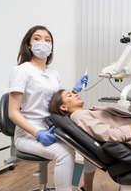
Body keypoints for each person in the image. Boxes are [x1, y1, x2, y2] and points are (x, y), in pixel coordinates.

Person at [8, 25, 88, 191]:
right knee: (64, 154)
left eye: (47, 40)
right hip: (28, 134)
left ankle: (73, 186)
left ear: (51, 47)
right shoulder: (21, 71)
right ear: (29, 45)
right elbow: (13, 112)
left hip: (50, 128)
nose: (43, 43)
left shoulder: (54, 74)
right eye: (37, 39)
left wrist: (74, 92)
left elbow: (53, 104)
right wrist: (37, 134)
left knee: (82, 147)